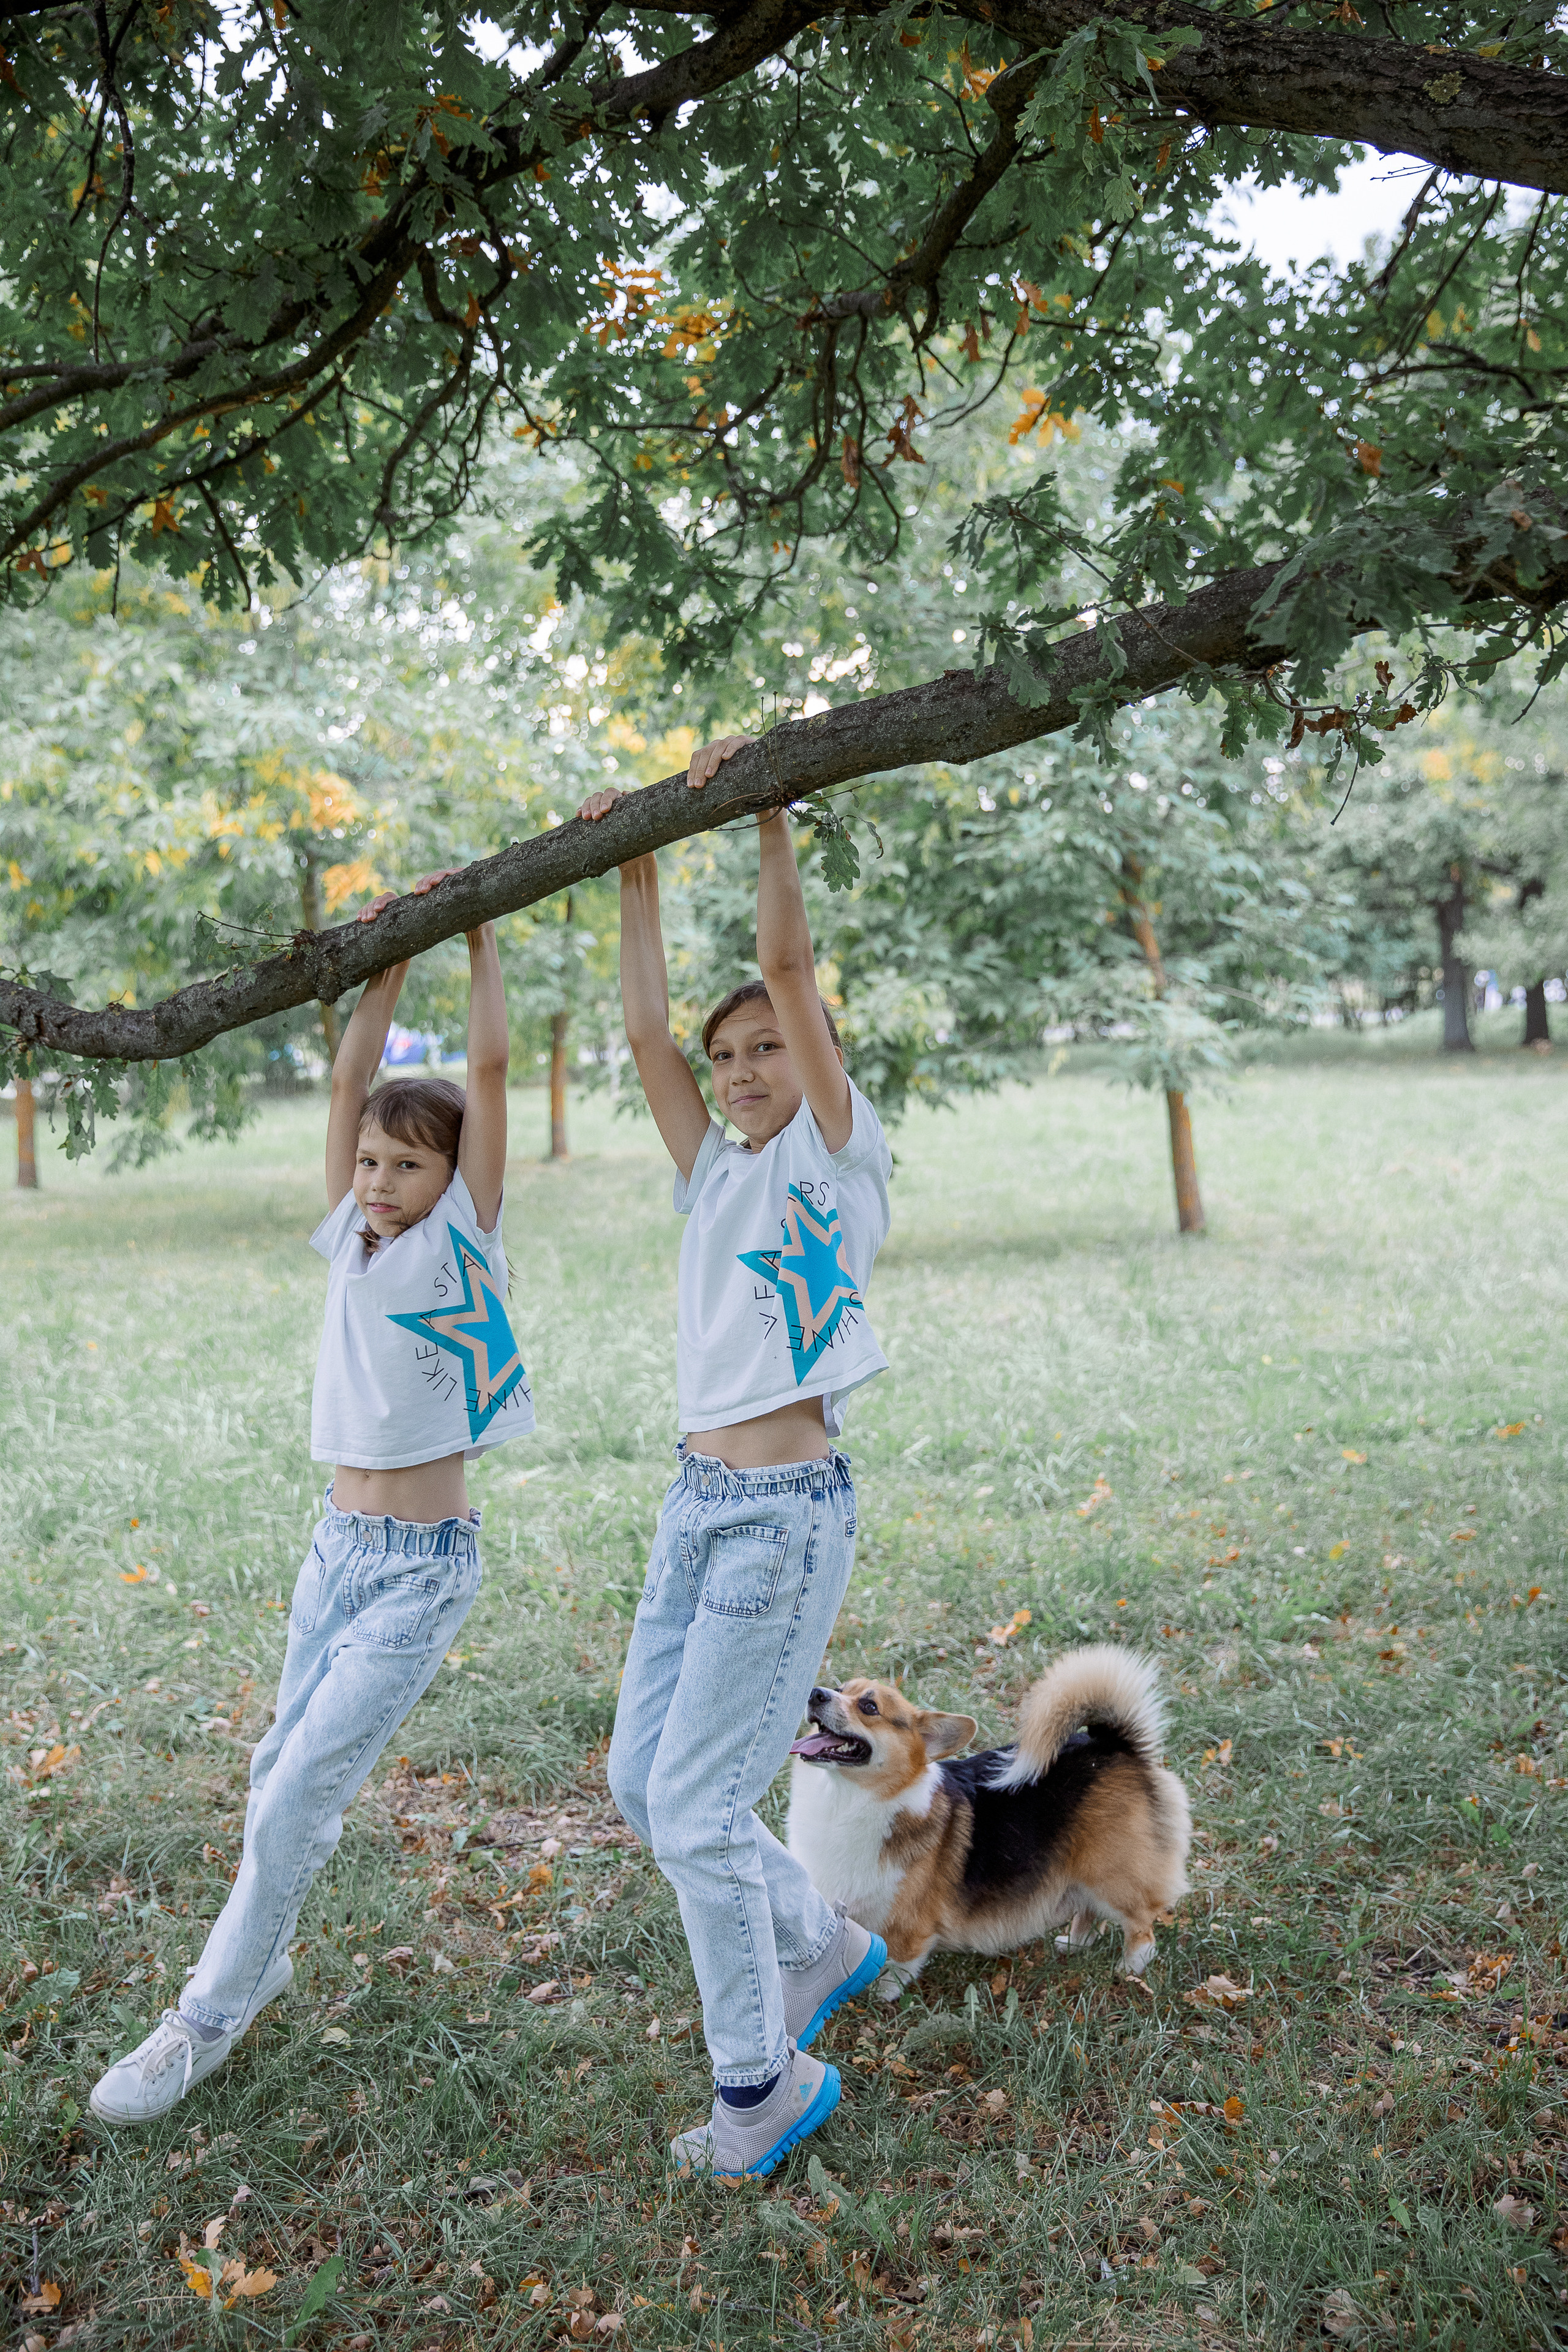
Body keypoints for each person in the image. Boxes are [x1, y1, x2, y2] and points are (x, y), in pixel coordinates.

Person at [90, 877, 531, 2125]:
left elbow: (489, 1075)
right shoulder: (352, 1240)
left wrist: (483, 929)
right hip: (336, 1548)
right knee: (275, 1769)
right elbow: (348, 1084)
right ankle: (267, 1942)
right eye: (369, 1162)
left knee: (296, 1792)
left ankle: (206, 2017)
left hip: (422, 1564)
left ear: (449, 1176)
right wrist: (386, 951)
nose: (379, 1177)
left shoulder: (465, 1243)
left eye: (405, 1162)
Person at [579, 740, 894, 2180]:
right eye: (730, 1058)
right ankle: (822, 1938)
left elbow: (784, 958)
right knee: (645, 1787)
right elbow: (647, 1036)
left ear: (810, 1056)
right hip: (695, 1503)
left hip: (783, 1515)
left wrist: (769, 808)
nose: (741, 1069)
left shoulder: (835, 1151)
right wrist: (634, 860)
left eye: (765, 1046)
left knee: (700, 1810)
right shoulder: (713, 1164)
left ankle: (758, 2088)